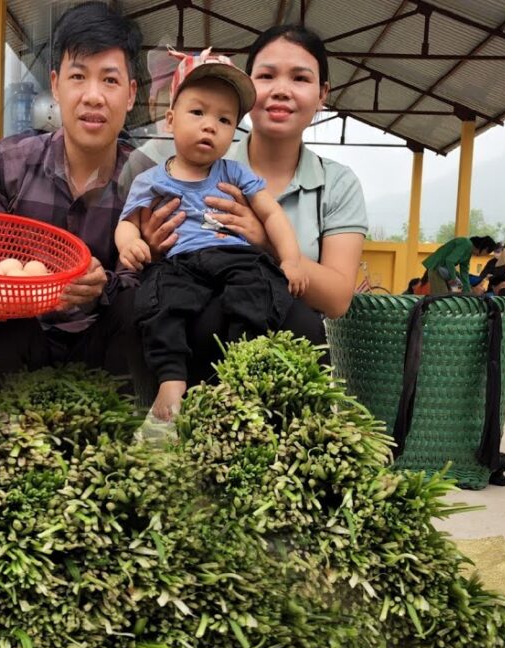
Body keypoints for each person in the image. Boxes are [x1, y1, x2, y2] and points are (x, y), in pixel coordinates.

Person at [0, 2, 146, 414]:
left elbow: (155, 282)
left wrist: (102, 287)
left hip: (101, 347)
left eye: (110, 80)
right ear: (55, 86)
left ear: (131, 94)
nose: (93, 96)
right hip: (20, 339)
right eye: (78, 77)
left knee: (142, 307)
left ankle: (108, 446)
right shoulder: (3, 165)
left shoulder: (149, 181)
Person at [136, 24, 369, 387]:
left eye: (300, 78)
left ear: (322, 93)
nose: (281, 90)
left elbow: (338, 299)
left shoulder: (337, 184)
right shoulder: (199, 163)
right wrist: (150, 244)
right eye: (266, 75)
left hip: (286, 361)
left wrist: (265, 242)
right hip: (194, 352)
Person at [115, 49, 307, 420]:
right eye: (198, 112)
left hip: (233, 257)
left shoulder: (233, 173)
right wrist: (131, 243)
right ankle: (171, 379)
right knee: (157, 301)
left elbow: (271, 213)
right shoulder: (150, 179)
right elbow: (128, 222)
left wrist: (291, 260)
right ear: (170, 120)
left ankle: (238, 371)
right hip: (178, 263)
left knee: (258, 290)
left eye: (224, 119)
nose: (210, 126)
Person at [421, 236, 500, 295]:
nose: (484, 255)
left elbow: (464, 273)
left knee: (456, 292)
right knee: (442, 298)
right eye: (487, 253)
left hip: (445, 272)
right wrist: (454, 279)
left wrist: (468, 292)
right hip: (436, 270)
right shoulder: (466, 244)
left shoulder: (468, 251)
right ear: (485, 248)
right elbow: (450, 261)